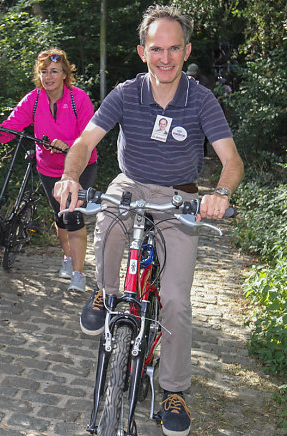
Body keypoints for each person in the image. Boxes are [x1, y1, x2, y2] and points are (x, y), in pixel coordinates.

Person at [54, 5, 243, 436]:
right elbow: (85, 140)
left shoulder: (201, 99)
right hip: (131, 183)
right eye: (156, 48)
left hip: (180, 196)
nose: (165, 57)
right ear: (142, 51)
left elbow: (231, 160)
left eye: (174, 48)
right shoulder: (125, 93)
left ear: (186, 50)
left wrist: (220, 193)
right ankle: (103, 293)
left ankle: (173, 389)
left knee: (175, 299)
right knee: (107, 227)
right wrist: (69, 176)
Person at [0, 48, 97, 293]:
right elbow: (9, 130)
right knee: (60, 217)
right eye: (43, 72)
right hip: (48, 168)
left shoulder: (79, 99)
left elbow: (90, 136)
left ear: (65, 74)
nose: (48, 77)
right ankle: (67, 257)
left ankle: (78, 273)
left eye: (54, 71)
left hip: (80, 166)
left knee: (72, 215)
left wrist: (70, 146)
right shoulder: (33, 99)